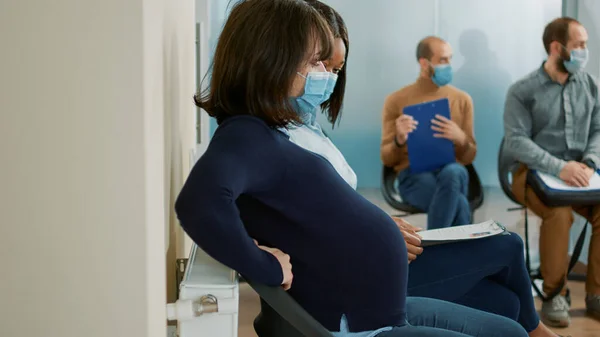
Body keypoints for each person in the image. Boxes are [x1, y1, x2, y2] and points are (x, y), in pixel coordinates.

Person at [175, 1, 531, 336]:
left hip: (378, 309)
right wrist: (263, 264)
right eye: (315, 62)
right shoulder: (246, 134)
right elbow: (199, 203)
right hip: (362, 324)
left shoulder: (266, 135)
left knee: (509, 326)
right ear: (271, 61)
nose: (324, 74)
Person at [503, 16, 600, 328]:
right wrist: (561, 167)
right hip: (531, 173)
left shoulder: (591, 85)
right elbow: (516, 142)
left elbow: (599, 129)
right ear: (557, 48)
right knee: (559, 214)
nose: (585, 51)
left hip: (581, 174)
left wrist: (589, 161)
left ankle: (596, 293)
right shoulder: (522, 90)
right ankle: (553, 293)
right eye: (580, 45)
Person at [380, 36, 476, 229]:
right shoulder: (396, 100)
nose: (449, 65)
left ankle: (432, 251)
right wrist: (399, 140)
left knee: (454, 171)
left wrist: (461, 139)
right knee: (459, 203)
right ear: (424, 63)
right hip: (414, 176)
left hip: (453, 171)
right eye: (443, 60)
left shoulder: (462, 100)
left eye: (450, 58)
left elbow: (469, 156)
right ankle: (461, 256)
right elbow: (387, 159)